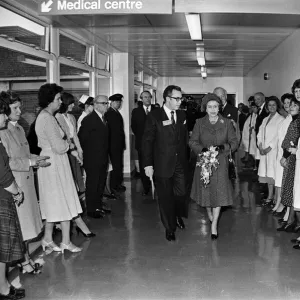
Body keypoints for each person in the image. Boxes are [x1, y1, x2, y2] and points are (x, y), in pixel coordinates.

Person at [0, 91, 48, 274]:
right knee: (20, 227)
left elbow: (23, 154)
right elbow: (7, 162)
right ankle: (24, 261)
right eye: (15, 108)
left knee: (26, 227)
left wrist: (36, 158)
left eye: (20, 107)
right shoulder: (3, 132)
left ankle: (24, 260)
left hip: (26, 182)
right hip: (14, 185)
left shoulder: (19, 128)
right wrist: (30, 162)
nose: (20, 111)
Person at [36, 83, 84, 253]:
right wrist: (68, 143)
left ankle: (48, 238)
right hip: (54, 162)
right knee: (62, 201)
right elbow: (58, 146)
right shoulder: (47, 118)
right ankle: (65, 241)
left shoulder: (48, 116)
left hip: (55, 162)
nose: (60, 102)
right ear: (49, 100)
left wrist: (66, 144)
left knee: (55, 202)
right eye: (57, 99)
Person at [142, 85, 188, 242]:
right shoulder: (154, 116)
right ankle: (170, 227)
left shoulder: (181, 115)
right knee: (165, 197)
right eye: (177, 98)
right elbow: (147, 142)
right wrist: (148, 164)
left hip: (180, 163)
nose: (180, 101)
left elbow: (184, 140)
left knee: (181, 194)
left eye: (181, 98)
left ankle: (176, 215)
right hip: (162, 164)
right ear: (167, 99)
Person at [190, 93, 238, 239]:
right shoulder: (199, 122)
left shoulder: (227, 123)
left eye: (215, 106)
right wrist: (202, 149)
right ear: (205, 108)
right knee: (206, 192)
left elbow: (234, 143)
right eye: (210, 107)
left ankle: (214, 225)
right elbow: (192, 142)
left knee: (219, 193)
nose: (212, 109)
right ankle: (209, 213)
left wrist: (223, 147)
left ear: (219, 107)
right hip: (204, 163)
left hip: (221, 163)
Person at [0, 98, 26, 299]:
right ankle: (3, 287)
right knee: (4, 246)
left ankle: (2, 284)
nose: (4, 116)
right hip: (2, 197)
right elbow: (3, 173)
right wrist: (17, 191)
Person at [78, 95, 111, 219]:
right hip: (92, 158)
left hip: (102, 157)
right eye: (103, 103)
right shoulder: (89, 120)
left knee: (100, 183)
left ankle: (98, 206)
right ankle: (92, 210)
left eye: (107, 103)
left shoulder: (103, 118)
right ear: (95, 104)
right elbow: (82, 139)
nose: (106, 105)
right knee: (93, 184)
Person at [277, 97, 300, 232]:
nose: (291, 107)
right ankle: (291, 220)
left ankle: (293, 222)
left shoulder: (297, 121)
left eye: (294, 105)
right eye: (290, 105)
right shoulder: (293, 120)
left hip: (292, 157)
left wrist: (285, 157)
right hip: (290, 157)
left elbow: (294, 140)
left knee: (292, 190)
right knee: (289, 189)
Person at [257, 96, 284, 206]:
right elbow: (259, 134)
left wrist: (268, 148)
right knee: (267, 175)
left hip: (273, 151)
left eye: (274, 105)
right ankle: (269, 196)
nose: (271, 107)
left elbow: (278, 136)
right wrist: (259, 146)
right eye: (269, 105)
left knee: (273, 175)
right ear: (267, 107)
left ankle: (274, 198)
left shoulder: (280, 119)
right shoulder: (265, 119)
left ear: (277, 106)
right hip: (263, 151)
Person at [272, 93, 294, 215]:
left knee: (286, 182)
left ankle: (284, 208)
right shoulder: (286, 118)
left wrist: (285, 155)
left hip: (288, 154)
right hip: (281, 153)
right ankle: (280, 203)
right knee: (281, 180)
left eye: (288, 103)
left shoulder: (293, 119)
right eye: (284, 103)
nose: (286, 105)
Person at [131, 91, 156, 196]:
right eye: (145, 97)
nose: (147, 99)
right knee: (143, 165)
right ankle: (146, 187)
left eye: (149, 97)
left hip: (155, 144)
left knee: (156, 164)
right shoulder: (136, 111)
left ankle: (156, 185)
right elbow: (134, 127)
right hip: (141, 144)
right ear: (141, 99)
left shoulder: (157, 110)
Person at [106, 93, 126, 193]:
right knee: (115, 165)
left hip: (118, 144)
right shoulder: (109, 113)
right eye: (117, 102)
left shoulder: (116, 112)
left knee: (118, 165)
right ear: (112, 102)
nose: (119, 103)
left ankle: (118, 183)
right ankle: (114, 185)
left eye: (120, 102)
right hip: (113, 145)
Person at [241, 102, 258, 168]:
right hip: (249, 135)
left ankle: (256, 165)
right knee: (251, 151)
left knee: (254, 151)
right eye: (252, 107)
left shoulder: (258, 115)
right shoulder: (251, 115)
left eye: (254, 107)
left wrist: (253, 127)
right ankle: (254, 165)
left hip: (254, 136)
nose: (253, 109)